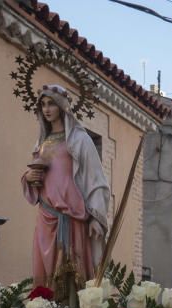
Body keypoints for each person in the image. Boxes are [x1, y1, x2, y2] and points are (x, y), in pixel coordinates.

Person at [22, 83, 111, 288]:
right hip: (46, 215)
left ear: (62, 107)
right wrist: (29, 177)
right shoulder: (41, 143)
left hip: (72, 219)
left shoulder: (79, 140)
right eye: (43, 105)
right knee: (45, 273)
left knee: (74, 275)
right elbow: (38, 178)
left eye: (51, 104)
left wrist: (97, 216)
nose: (46, 109)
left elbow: (95, 179)